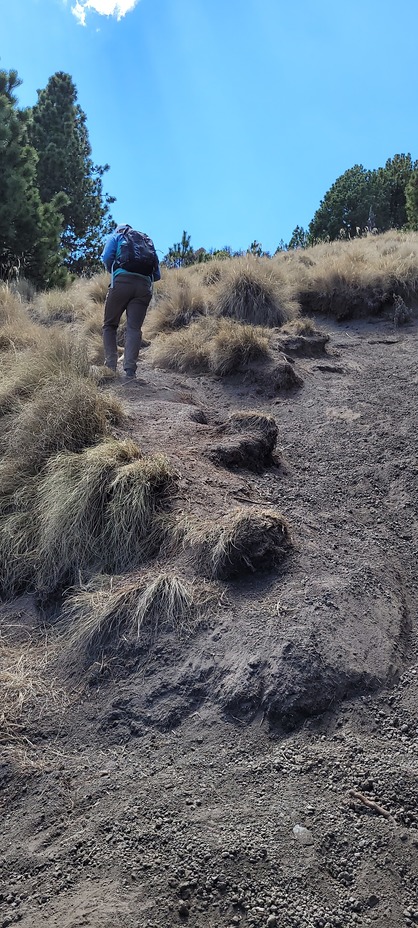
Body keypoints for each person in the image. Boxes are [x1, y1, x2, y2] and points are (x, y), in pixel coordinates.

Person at [101, 223, 161, 379]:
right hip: (144, 287)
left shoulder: (117, 236)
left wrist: (115, 271)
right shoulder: (146, 241)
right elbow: (157, 275)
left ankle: (111, 367)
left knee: (110, 325)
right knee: (134, 328)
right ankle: (130, 371)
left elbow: (107, 257)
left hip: (121, 282)